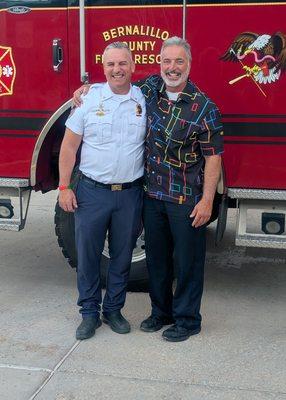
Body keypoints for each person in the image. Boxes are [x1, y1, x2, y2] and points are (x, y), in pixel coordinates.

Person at [74, 36, 223, 342]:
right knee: (157, 260)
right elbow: (117, 82)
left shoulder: (205, 108)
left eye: (179, 61)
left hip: (186, 199)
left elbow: (213, 159)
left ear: (189, 65)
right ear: (159, 65)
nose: (172, 67)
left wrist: (207, 200)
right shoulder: (149, 90)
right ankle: (161, 313)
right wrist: (87, 90)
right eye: (167, 61)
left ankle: (187, 320)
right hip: (152, 196)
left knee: (187, 262)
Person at [59, 42, 146, 340]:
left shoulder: (145, 98)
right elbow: (69, 147)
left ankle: (113, 310)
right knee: (88, 256)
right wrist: (63, 187)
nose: (116, 69)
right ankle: (88, 313)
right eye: (110, 64)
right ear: (103, 67)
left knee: (122, 256)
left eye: (122, 63)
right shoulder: (88, 99)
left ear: (133, 66)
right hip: (92, 192)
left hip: (130, 194)